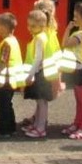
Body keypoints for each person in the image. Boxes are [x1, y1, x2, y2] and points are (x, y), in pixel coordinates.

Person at [59, 2, 82, 140]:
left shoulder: (80, 34)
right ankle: (78, 123)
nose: (74, 18)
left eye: (76, 16)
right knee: (80, 99)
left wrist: (68, 29)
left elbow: (64, 44)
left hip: (81, 70)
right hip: (81, 69)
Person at [22, 9, 58, 139]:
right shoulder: (42, 36)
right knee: (40, 101)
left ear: (42, 26)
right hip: (42, 72)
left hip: (40, 73)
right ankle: (37, 125)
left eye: (33, 26)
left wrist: (30, 75)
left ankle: (40, 128)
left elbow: (38, 59)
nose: (29, 28)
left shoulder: (39, 39)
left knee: (41, 102)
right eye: (29, 25)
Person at [0, 12, 23, 138]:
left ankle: (3, 130)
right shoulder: (14, 40)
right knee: (8, 103)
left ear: (4, 27)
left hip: (5, 79)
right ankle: (12, 127)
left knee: (3, 105)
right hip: (12, 79)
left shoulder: (6, 43)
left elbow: (3, 61)